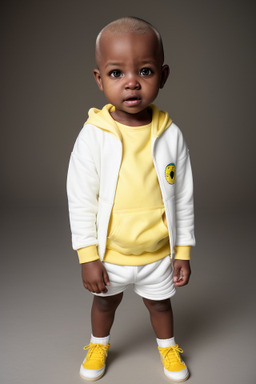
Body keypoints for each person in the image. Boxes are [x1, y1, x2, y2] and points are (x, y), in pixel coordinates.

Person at [67, 16, 195, 383]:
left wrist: (182, 251)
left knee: (160, 304)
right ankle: (98, 344)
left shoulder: (170, 135)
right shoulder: (93, 137)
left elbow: (184, 197)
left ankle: (168, 347)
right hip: (111, 253)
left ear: (163, 76)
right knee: (105, 302)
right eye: (116, 73)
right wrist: (88, 257)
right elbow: (80, 200)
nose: (132, 82)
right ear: (99, 79)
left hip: (157, 253)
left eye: (145, 70)